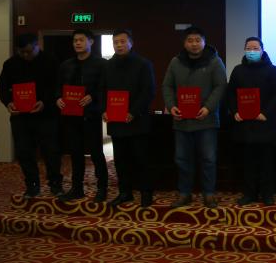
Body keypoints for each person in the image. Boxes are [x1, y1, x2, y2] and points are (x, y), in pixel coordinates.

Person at [162, 26, 227, 209]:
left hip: (206, 120)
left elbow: (221, 86)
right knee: (182, 159)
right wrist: (171, 106)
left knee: (208, 159)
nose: (194, 44)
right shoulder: (175, 62)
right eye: (190, 40)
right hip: (182, 121)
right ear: (184, 43)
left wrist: (208, 108)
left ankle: (209, 193)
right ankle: (185, 193)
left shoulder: (215, 61)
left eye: (198, 40)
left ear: (204, 42)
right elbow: (167, 86)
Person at [0, 33, 62, 198]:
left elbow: (57, 87)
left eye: (29, 51)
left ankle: (55, 183)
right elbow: (1, 87)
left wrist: (45, 102)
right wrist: (8, 102)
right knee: (24, 152)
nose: (26, 55)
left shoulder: (51, 61)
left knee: (51, 151)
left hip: (46, 115)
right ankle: (32, 185)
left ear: (37, 45)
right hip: (21, 117)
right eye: (22, 52)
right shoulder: (10, 64)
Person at [101, 29, 156, 207]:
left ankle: (146, 192)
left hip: (137, 120)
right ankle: (125, 193)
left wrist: (133, 111)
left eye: (122, 41)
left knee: (141, 158)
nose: (119, 45)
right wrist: (104, 110)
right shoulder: (108, 65)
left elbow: (148, 91)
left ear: (131, 43)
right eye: (115, 42)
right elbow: (102, 90)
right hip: (116, 121)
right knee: (121, 160)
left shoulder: (143, 64)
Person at [226, 36, 276, 206]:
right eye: (249, 48)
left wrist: (266, 113)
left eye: (255, 48)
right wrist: (235, 111)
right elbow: (230, 94)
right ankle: (249, 193)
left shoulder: (272, 70)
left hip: (265, 123)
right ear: (244, 50)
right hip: (245, 124)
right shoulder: (238, 70)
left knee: (266, 161)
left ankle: (267, 194)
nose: (252, 51)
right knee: (248, 161)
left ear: (262, 50)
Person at [55, 29, 108, 202]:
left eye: (81, 40)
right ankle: (77, 188)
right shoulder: (66, 65)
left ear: (91, 41)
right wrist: (58, 98)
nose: (77, 43)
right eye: (75, 40)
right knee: (75, 153)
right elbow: (58, 87)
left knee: (96, 153)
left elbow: (105, 88)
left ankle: (102, 188)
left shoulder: (101, 64)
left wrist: (93, 97)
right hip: (70, 116)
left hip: (91, 115)